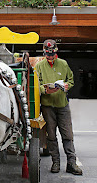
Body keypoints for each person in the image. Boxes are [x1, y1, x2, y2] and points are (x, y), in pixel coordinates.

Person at [35, 39, 82, 175]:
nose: (50, 57)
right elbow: (37, 85)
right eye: (48, 55)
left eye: (53, 54)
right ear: (44, 53)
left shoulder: (63, 64)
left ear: (56, 52)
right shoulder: (39, 66)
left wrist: (67, 86)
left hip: (63, 106)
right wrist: (45, 91)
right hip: (48, 106)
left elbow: (71, 80)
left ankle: (71, 163)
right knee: (51, 135)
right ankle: (55, 162)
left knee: (67, 134)